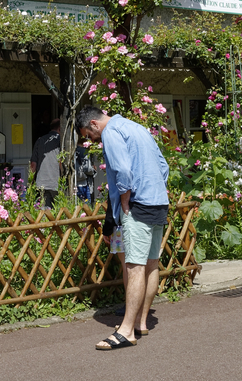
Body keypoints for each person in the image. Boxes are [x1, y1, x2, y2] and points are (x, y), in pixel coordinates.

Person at [77, 106, 169, 351]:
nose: (92, 140)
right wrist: (155, 190)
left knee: (134, 266)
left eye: (89, 135)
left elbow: (123, 169)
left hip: (137, 204)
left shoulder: (111, 132)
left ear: (94, 124)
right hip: (158, 201)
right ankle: (140, 322)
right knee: (151, 264)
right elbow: (163, 166)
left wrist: (125, 198)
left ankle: (126, 331)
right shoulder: (137, 128)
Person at [29, 118, 62, 209]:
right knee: (59, 211)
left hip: (41, 182)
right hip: (56, 182)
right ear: (60, 128)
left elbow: (33, 164)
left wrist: (31, 181)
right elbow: (61, 161)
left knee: (44, 212)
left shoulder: (40, 140)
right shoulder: (61, 140)